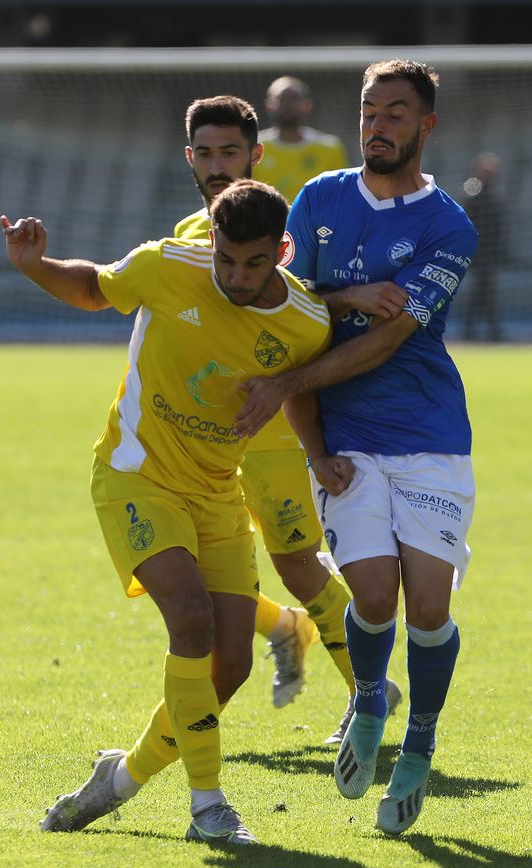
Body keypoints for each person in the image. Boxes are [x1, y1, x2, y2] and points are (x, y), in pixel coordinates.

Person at [2, 179, 331, 845]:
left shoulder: (305, 322)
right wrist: (36, 264)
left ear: (282, 251)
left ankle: (119, 779)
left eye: (254, 263)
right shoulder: (164, 266)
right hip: (136, 476)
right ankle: (209, 808)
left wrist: (307, 436)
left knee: (231, 664)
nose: (236, 277)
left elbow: (304, 388)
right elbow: (93, 286)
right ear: (211, 242)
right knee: (191, 618)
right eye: (226, 259)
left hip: (217, 492)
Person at [234, 59, 478, 836]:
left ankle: (421, 743)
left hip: (431, 433)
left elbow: (392, 334)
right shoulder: (319, 199)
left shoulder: (449, 226)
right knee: (373, 597)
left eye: (397, 113)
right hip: (344, 436)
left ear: (426, 126)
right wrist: (310, 442)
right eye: (371, 110)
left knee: (429, 607)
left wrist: (286, 384)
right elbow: (287, 308)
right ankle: (370, 699)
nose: (379, 124)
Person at [173, 94, 397, 740]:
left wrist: (348, 294)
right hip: (197, 440)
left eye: (231, 154)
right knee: (179, 567)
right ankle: (282, 626)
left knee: (297, 562)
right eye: (207, 154)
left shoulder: (277, 228)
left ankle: (369, 692)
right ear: (190, 159)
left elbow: (298, 305)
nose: (219, 167)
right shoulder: (191, 233)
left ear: (256, 155)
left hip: (268, 430)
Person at [255, 76, 348, 203]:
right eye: (281, 99)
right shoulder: (254, 148)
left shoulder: (329, 148)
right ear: (269, 105)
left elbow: (341, 194)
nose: (287, 105)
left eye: (293, 99)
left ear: (307, 105)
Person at [458, 152, 506, 341]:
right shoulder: (473, 193)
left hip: (488, 250)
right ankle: (489, 330)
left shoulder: (490, 195)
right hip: (479, 251)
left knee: (483, 291)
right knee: (484, 291)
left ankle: (475, 329)